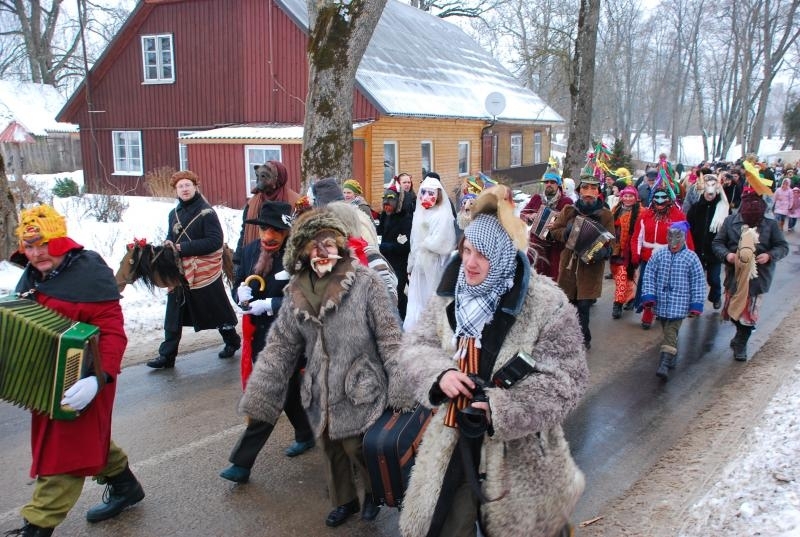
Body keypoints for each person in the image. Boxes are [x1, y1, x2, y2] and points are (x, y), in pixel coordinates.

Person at [393, 185, 589, 537]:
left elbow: (567, 382)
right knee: (446, 527)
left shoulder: (546, 304)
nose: (469, 262)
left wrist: (502, 407)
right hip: (453, 440)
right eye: (466, 250)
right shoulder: (450, 295)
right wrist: (440, 375)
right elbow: (416, 345)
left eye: (481, 254)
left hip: (522, 452)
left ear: (501, 255)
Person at [238, 209, 403, 528]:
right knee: (330, 445)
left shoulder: (365, 282)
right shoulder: (299, 288)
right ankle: (344, 501)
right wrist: (264, 388)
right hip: (320, 382)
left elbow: (389, 334)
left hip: (360, 381)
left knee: (355, 444)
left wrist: (400, 382)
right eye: (313, 246)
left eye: (327, 244)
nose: (322, 251)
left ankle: (372, 492)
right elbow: (282, 343)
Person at [9, 205, 144, 536]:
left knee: (65, 452)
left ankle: (38, 525)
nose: (37, 253)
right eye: (29, 246)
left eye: (44, 244)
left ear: (61, 240)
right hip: (46, 380)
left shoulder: (89, 272)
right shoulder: (33, 275)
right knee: (83, 437)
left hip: (87, 377)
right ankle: (125, 485)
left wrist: (98, 379)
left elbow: (113, 332)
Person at [219, 201, 315, 485]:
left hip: (291, 334)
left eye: (275, 230)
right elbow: (239, 280)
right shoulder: (249, 252)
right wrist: (242, 294)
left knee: (270, 391)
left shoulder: (301, 256)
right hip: (260, 335)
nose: (268, 236)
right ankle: (306, 432)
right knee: (289, 389)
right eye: (264, 229)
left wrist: (271, 304)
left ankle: (241, 462)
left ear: (287, 232)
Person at [147, 171, 241, 369]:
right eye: (180, 186)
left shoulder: (207, 212)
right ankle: (167, 355)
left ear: (195, 187)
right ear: (176, 190)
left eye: (188, 185)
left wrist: (182, 248)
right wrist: (167, 246)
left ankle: (232, 340)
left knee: (216, 308)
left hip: (205, 269)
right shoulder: (174, 214)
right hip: (181, 270)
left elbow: (214, 241)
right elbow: (171, 237)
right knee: (174, 311)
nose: (184, 189)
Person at [712, 190, 789, 361]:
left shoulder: (770, 224)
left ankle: (741, 342)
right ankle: (739, 332)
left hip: (757, 278)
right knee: (733, 310)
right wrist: (727, 255)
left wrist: (769, 255)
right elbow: (717, 243)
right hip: (734, 275)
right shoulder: (730, 221)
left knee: (749, 314)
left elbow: (782, 246)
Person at [549, 174, 615, 349]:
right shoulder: (569, 211)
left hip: (590, 268)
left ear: (598, 193)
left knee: (584, 305)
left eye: (593, 189)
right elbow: (555, 231)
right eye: (585, 188)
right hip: (569, 265)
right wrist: (565, 232)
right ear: (579, 191)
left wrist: (603, 251)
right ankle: (568, 336)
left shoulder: (605, 214)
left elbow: (611, 241)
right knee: (569, 304)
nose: (589, 193)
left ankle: (584, 337)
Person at [640, 221, 705, 381]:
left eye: (678, 239)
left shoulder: (691, 258)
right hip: (661, 302)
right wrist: (649, 295)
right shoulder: (660, 255)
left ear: (683, 239)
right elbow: (649, 275)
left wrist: (696, 304)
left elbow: (698, 281)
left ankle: (664, 363)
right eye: (671, 238)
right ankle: (672, 352)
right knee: (667, 330)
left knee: (671, 331)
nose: (674, 244)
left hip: (680, 303)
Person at [631, 185, 693, 330]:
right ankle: (647, 312)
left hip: (669, 257)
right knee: (647, 285)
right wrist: (636, 254)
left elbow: (686, 239)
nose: (659, 201)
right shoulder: (645, 215)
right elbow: (637, 236)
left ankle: (663, 311)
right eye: (656, 198)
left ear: (669, 199)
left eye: (663, 198)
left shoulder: (678, 215)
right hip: (648, 257)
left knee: (664, 286)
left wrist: (688, 258)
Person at [404, 174, 456, 331]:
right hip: (420, 265)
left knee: (431, 298)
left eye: (431, 193)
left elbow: (443, 242)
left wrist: (425, 244)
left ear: (438, 194)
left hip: (435, 264)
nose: (426, 196)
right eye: (423, 192)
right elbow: (413, 240)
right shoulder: (419, 214)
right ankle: (414, 330)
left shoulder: (443, 215)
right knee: (416, 300)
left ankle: (433, 330)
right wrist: (411, 265)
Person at [234, 160, 301, 269]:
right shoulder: (252, 203)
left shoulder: (297, 202)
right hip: (253, 259)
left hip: (286, 262)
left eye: (267, 174)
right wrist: (238, 260)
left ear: (279, 179)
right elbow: (244, 231)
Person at [518, 167, 573, 281]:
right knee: (532, 279)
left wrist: (557, 223)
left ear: (558, 184)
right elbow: (523, 214)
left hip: (555, 248)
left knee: (553, 280)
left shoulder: (566, 202)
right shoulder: (537, 198)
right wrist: (530, 216)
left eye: (552, 182)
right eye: (546, 182)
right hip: (536, 247)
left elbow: (571, 224)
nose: (549, 184)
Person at [686, 174, 730, 310]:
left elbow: (728, 228)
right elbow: (688, 226)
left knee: (714, 278)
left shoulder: (723, 209)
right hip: (698, 249)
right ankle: (695, 305)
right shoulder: (696, 207)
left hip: (714, 251)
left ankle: (715, 296)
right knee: (696, 279)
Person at [378, 183, 413, 320]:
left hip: (399, 264)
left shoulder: (405, 219)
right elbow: (380, 232)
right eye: (384, 201)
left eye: (390, 201)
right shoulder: (384, 215)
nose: (386, 205)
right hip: (385, 262)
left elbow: (406, 246)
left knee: (396, 293)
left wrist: (386, 247)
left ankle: (401, 319)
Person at [609, 186, 641, 319]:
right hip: (615, 249)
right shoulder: (615, 209)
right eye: (626, 196)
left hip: (629, 250)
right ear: (622, 197)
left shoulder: (641, 212)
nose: (628, 198)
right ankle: (630, 297)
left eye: (631, 196)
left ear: (635, 197)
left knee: (623, 275)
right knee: (622, 276)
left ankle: (617, 303)